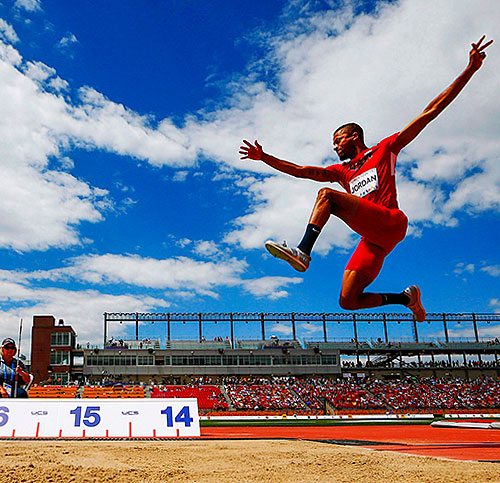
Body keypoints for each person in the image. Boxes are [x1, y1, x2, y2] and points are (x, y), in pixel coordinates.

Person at [239, 36, 493, 322]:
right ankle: (406, 299)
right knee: (348, 300)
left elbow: (430, 111)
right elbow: (300, 171)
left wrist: (470, 69)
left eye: (338, 140)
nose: (335, 146)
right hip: (374, 240)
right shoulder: (341, 172)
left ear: (354, 136)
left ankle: (304, 252)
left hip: (391, 221)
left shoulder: (385, 149)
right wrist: (265, 157)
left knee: (327, 196)